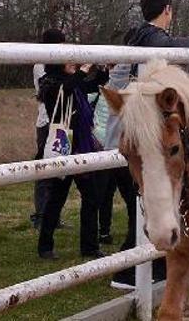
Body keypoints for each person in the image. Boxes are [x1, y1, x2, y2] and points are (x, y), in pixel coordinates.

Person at [104, 0, 189, 289]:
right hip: (145, 135)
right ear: (167, 10)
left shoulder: (136, 37)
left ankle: (147, 267)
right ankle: (129, 272)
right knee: (145, 204)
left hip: (134, 134)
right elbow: (169, 45)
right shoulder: (152, 38)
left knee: (146, 203)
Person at [36, 60, 109, 259]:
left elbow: (92, 85)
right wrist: (82, 71)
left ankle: (89, 247)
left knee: (91, 198)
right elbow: (65, 92)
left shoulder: (73, 84)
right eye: (68, 61)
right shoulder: (51, 84)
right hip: (66, 149)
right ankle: (45, 247)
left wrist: (102, 69)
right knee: (56, 200)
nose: (73, 64)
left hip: (81, 147)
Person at [31, 29, 70, 230]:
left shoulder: (56, 61)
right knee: (44, 169)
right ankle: (40, 214)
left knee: (59, 171)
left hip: (58, 122)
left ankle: (53, 216)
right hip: (46, 122)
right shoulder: (41, 64)